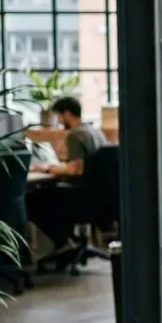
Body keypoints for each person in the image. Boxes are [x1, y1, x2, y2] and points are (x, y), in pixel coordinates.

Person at [26, 96, 108, 251]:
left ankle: (64, 241)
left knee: (32, 199)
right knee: (49, 193)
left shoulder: (75, 135)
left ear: (67, 114)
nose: (59, 121)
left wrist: (47, 168)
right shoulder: (94, 132)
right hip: (101, 197)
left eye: (59, 116)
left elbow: (74, 169)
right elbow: (82, 164)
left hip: (83, 197)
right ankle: (69, 239)